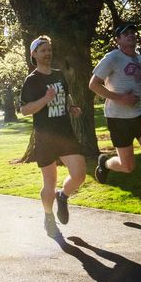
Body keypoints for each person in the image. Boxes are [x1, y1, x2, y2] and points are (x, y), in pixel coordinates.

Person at [89, 22, 141, 226]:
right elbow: (93, 85)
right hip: (118, 118)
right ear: (117, 40)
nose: (130, 36)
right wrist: (119, 98)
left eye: (132, 33)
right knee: (127, 166)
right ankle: (105, 163)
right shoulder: (112, 58)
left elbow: (138, 84)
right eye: (125, 34)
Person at [19, 36, 85, 229]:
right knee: (50, 182)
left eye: (49, 50)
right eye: (43, 51)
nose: (47, 53)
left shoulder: (58, 74)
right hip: (45, 137)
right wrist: (45, 99)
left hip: (65, 134)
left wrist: (72, 107)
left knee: (79, 175)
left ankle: (63, 196)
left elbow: (66, 95)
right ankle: (48, 216)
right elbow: (24, 110)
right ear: (34, 54)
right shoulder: (31, 81)